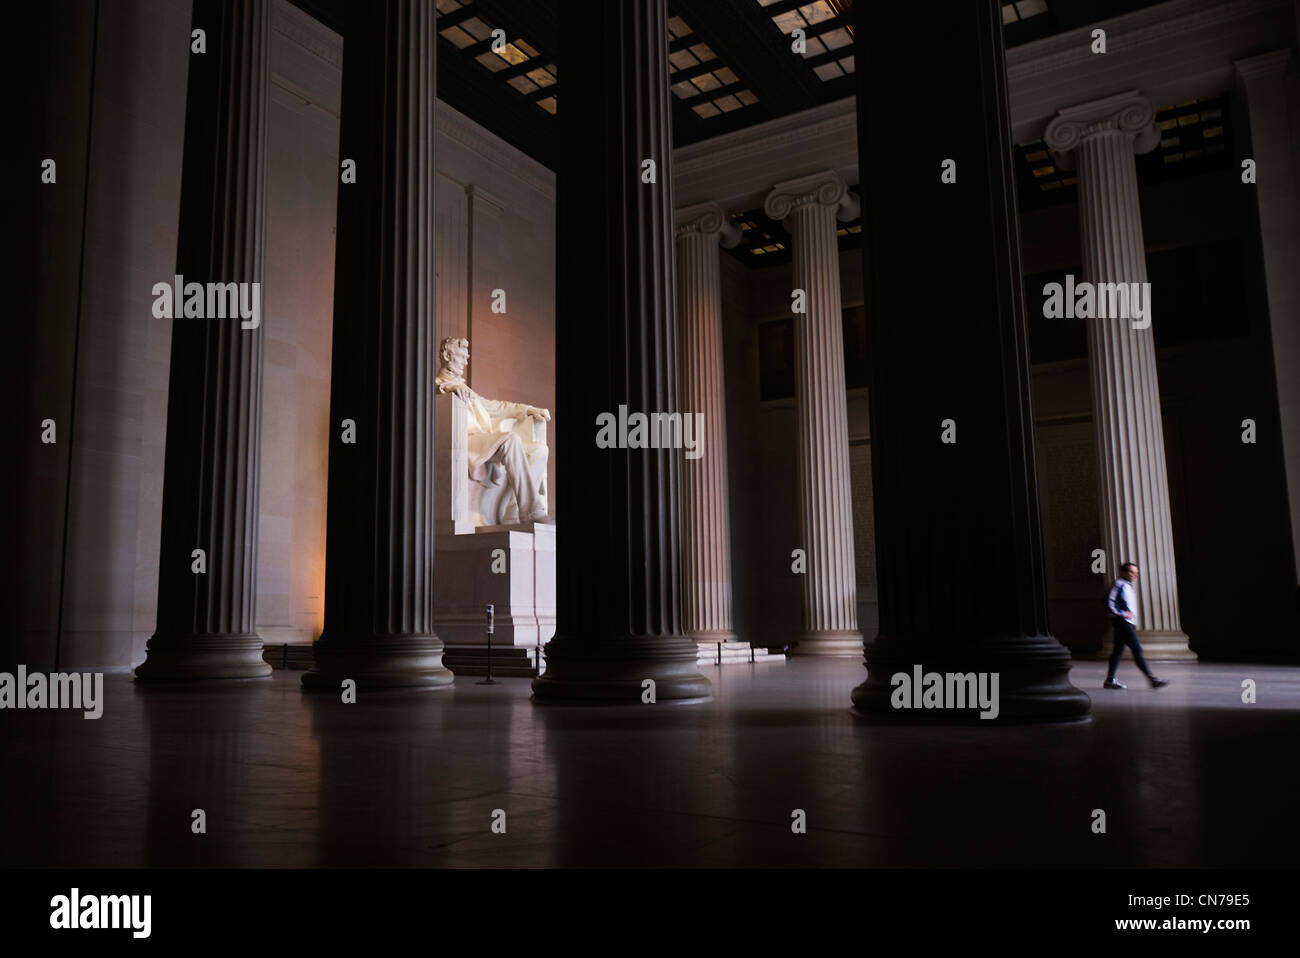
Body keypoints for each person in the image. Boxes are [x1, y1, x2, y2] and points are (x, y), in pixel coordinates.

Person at [435, 337, 551, 523]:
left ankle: (513, 513)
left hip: (486, 441)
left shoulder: (465, 388)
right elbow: (437, 387)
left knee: (539, 450)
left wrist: (529, 410)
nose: (465, 362)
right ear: (447, 355)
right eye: (461, 357)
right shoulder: (439, 383)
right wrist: (450, 388)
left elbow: (497, 407)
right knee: (510, 439)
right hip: (465, 441)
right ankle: (532, 511)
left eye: (467, 357)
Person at [1103, 561, 1169, 690]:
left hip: (1126, 623)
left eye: (1136, 573)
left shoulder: (1127, 586)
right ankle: (1152, 679)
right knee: (1137, 649)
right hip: (1123, 623)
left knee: (1117, 651)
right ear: (1123, 573)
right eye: (1132, 572)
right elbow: (1108, 602)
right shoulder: (1119, 584)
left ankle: (1110, 680)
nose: (1135, 575)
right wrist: (1122, 613)